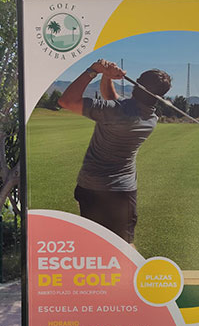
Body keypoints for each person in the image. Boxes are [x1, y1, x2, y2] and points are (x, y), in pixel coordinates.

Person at [58, 59, 171, 243]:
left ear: (136, 85)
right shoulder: (151, 119)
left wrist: (93, 70)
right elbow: (111, 98)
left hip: (91, 188)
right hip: (123, 193)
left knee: (93, 246)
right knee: (124, 247)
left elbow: (66, 101)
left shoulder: (115, 111)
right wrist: (107, 76)